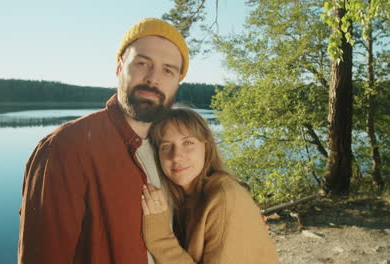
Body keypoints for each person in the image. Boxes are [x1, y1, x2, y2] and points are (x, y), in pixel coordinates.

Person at [18, 18, 189, 264]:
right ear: (120, 68)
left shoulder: (171, 148)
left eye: (168, 70)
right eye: (142, 63)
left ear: (176, 83)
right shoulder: (66, 147)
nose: (154, 78)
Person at [141, 107, 279, 263]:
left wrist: (160, 238)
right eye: (166, 146)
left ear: (207, 146)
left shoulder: (224, 198)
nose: (176, 156)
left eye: (188, 142)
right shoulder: (185, 198)